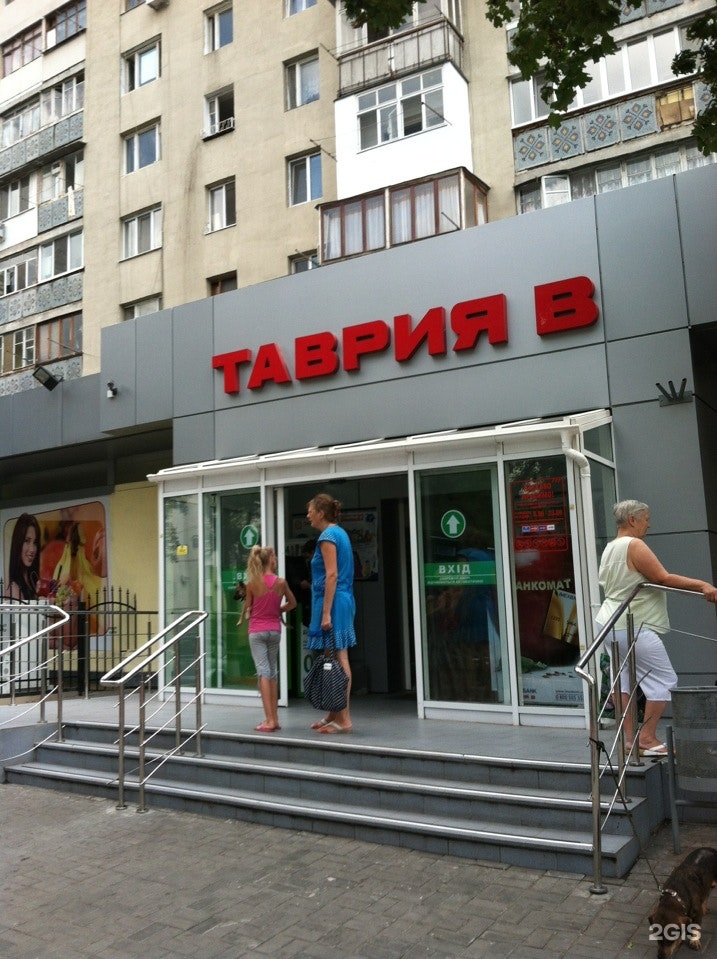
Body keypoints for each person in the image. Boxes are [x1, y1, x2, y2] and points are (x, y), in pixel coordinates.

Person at [595, 499, 717, 756]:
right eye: (646, 519)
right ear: (632, 519)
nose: (649, 524)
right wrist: (703, 585)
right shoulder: (634, 545)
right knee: (664, 679)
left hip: (609, 622)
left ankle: (630, 740)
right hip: (634, 623)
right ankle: (647, 738)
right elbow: (662, 578)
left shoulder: (610, 548)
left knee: (622, 682)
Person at [306, 493, 357, 734]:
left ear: (320, 513)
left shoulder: (327, 537)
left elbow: (332, 574)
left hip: (334, 603)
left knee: (339, 656)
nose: (308, 515)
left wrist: (326, 613)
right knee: (332, 656)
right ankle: (333, 713)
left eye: (310, 511)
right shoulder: (340, 534)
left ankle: (344, 719)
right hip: (342, 600)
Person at [239, 545, 296, 732]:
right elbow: (293, 603)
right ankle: (275, 719)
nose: (276, 559)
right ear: (270, 560)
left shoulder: (252, 584)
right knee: (272, 672)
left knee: (263, 672)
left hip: (257, 631)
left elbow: (249, 608)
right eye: (274, 557)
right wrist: (278, 610)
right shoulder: (281, 582)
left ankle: (269, 720)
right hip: (274, 631)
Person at [6, 513, 41, 600]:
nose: (32, 549)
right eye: (27, 541)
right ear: (18, 543)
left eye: (35, 542)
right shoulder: (14, 589)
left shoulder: (33, 582)